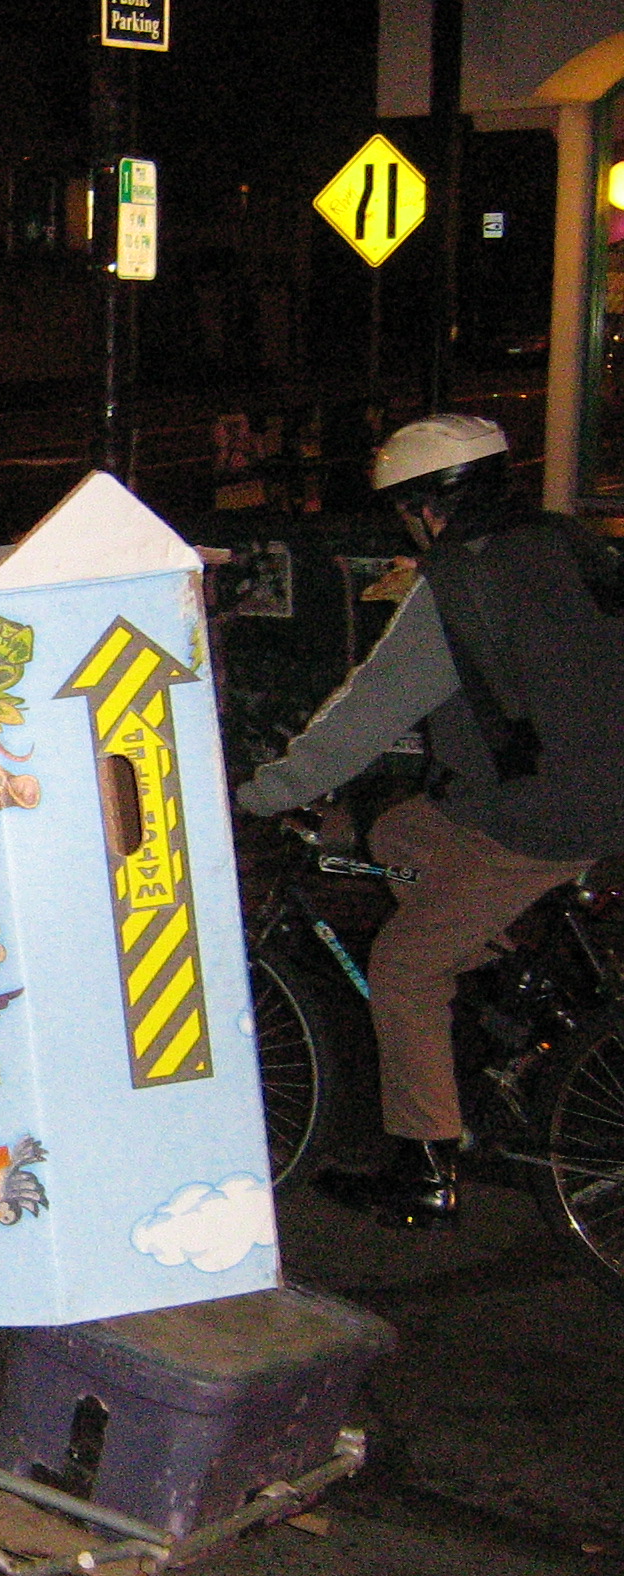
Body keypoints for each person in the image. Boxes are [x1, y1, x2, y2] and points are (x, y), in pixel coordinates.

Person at [234, 413, 624, 1226]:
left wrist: (261, 792)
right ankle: (499, 968)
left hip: (547, 817)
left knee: (404, 968)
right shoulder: (570, 544)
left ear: (421, 507)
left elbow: (365, 713)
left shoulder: (458, 586)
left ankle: (424, 1168)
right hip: (591, 789)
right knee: (399, 832)